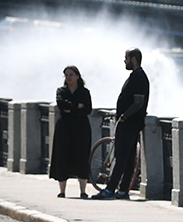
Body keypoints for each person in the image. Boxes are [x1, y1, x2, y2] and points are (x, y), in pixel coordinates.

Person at [92, 48, 150, 200]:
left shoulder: (138, 78)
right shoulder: (137, 76)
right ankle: (123, 190)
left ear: (134, 60)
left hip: (129, 124)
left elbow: (138, 102)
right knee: (129, 159)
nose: (124, 61)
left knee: (121, 157)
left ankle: (110, 190)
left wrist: (124, 116)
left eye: (126, 58)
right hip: (131, 124)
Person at [49, 66, 93, 198]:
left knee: (82, 156)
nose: (68, 77)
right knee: (62, 156)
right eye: (66, 75)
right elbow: (62, 105)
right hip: (64, 128)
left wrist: (71, 108)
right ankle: (62, 191)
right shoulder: (61, 91)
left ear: (77, 76)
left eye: (71, 75)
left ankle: (83, 191)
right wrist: (77, 106)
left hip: (81, 128)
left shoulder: (84, 92)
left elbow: (88, 109)